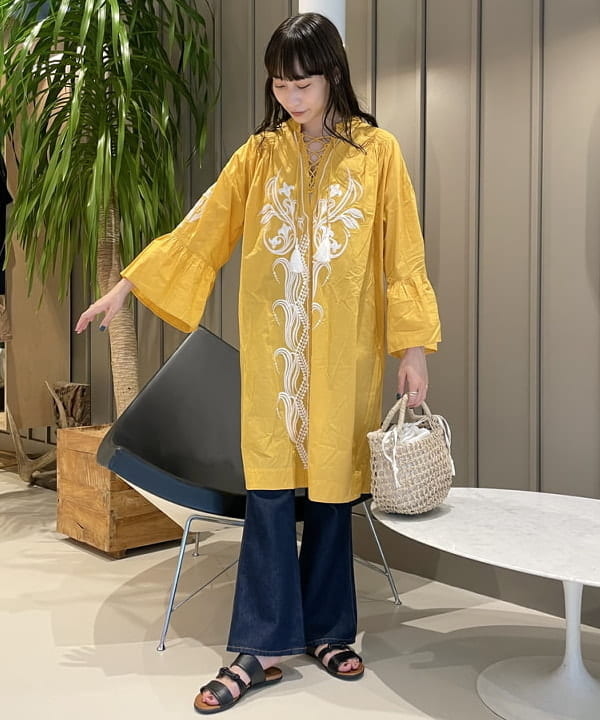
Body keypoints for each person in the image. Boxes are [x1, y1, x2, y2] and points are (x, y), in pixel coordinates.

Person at [76, 12, 441, 715]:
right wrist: (126, 287)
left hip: (345, 358)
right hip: (275, 361)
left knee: (333, 494)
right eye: (279, 85)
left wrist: (414, 349)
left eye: (302, 84)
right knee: (270, 494)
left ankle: (330, 631)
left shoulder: (378, 153)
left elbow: (404, 255)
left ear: (332, 76)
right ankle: (260, 648)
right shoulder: (259, 156)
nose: (289, 97)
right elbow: (201, 229)